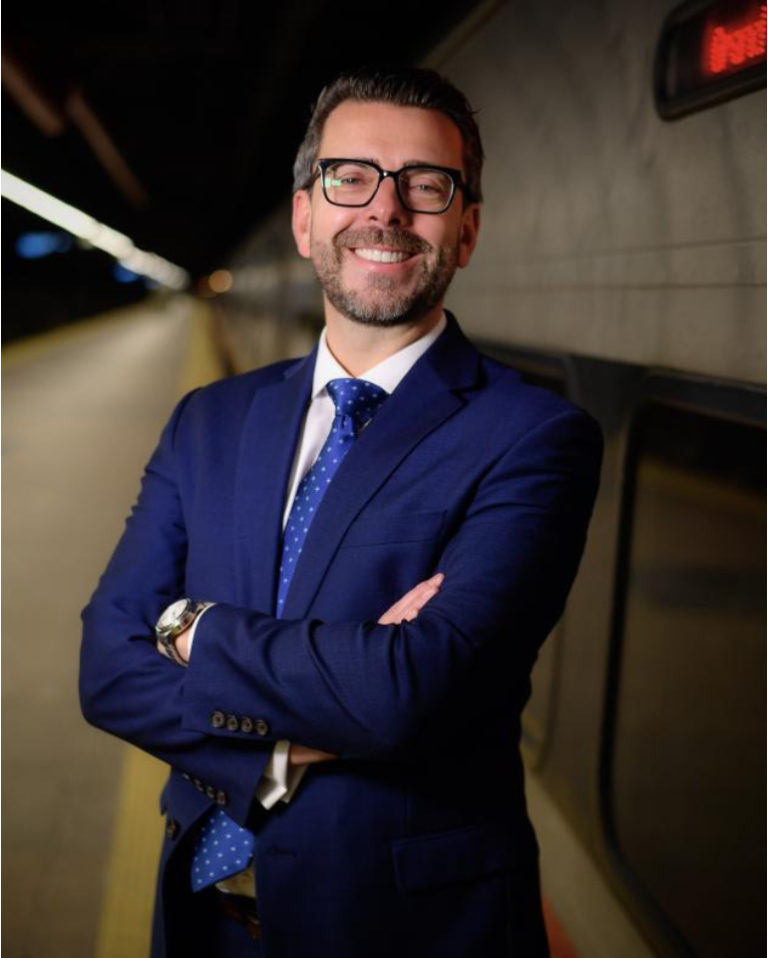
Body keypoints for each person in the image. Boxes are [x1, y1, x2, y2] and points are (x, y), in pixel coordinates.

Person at [80, 66, 602, 958]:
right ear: (304, 218)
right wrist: (285, 746)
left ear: (467, 229)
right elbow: (106, 668)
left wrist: (192, 628)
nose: (385, 210)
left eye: (425, 185)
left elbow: (409, 694)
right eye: (350, 177)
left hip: (407, 931)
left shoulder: (536, 436)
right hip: (201, 918)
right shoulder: (210, 419)